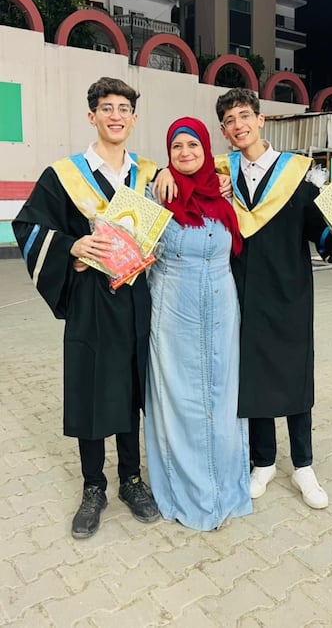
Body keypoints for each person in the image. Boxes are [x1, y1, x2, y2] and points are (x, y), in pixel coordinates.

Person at [214, 88, 332, 509]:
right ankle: (264, 461)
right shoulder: (219, 176)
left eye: (244, 116)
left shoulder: (299, 176)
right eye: (230, 120)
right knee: (251, 376)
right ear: (224, 131)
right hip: (240, 294)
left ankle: (304, 464)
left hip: (288, 292)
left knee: (293, 374)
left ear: (261, 119)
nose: (239, 125)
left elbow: (326, 233)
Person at [12, 76, 161, 538]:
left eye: (123, 108)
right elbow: (29, 228)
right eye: (106, 107)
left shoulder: (151, 174)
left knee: (134, 389)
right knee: (94, 388)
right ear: (91, 116)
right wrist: (72, 248)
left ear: (134, 119)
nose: (115, 115)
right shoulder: (64, 175)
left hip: (139, 298)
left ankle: (131, 480)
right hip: (92, 301)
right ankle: (93, 486)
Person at [144, 116, 252, 530]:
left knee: (222, 396)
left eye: (193, 145)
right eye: (176, 147)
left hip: (223, 308)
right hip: (173, 311)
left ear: (207, 150)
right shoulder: (156, 195)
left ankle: (225, 489)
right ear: (167, 154)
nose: (186, 153)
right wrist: (157, 174)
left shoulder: (225, 193)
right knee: (179, 401)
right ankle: (184, 494)